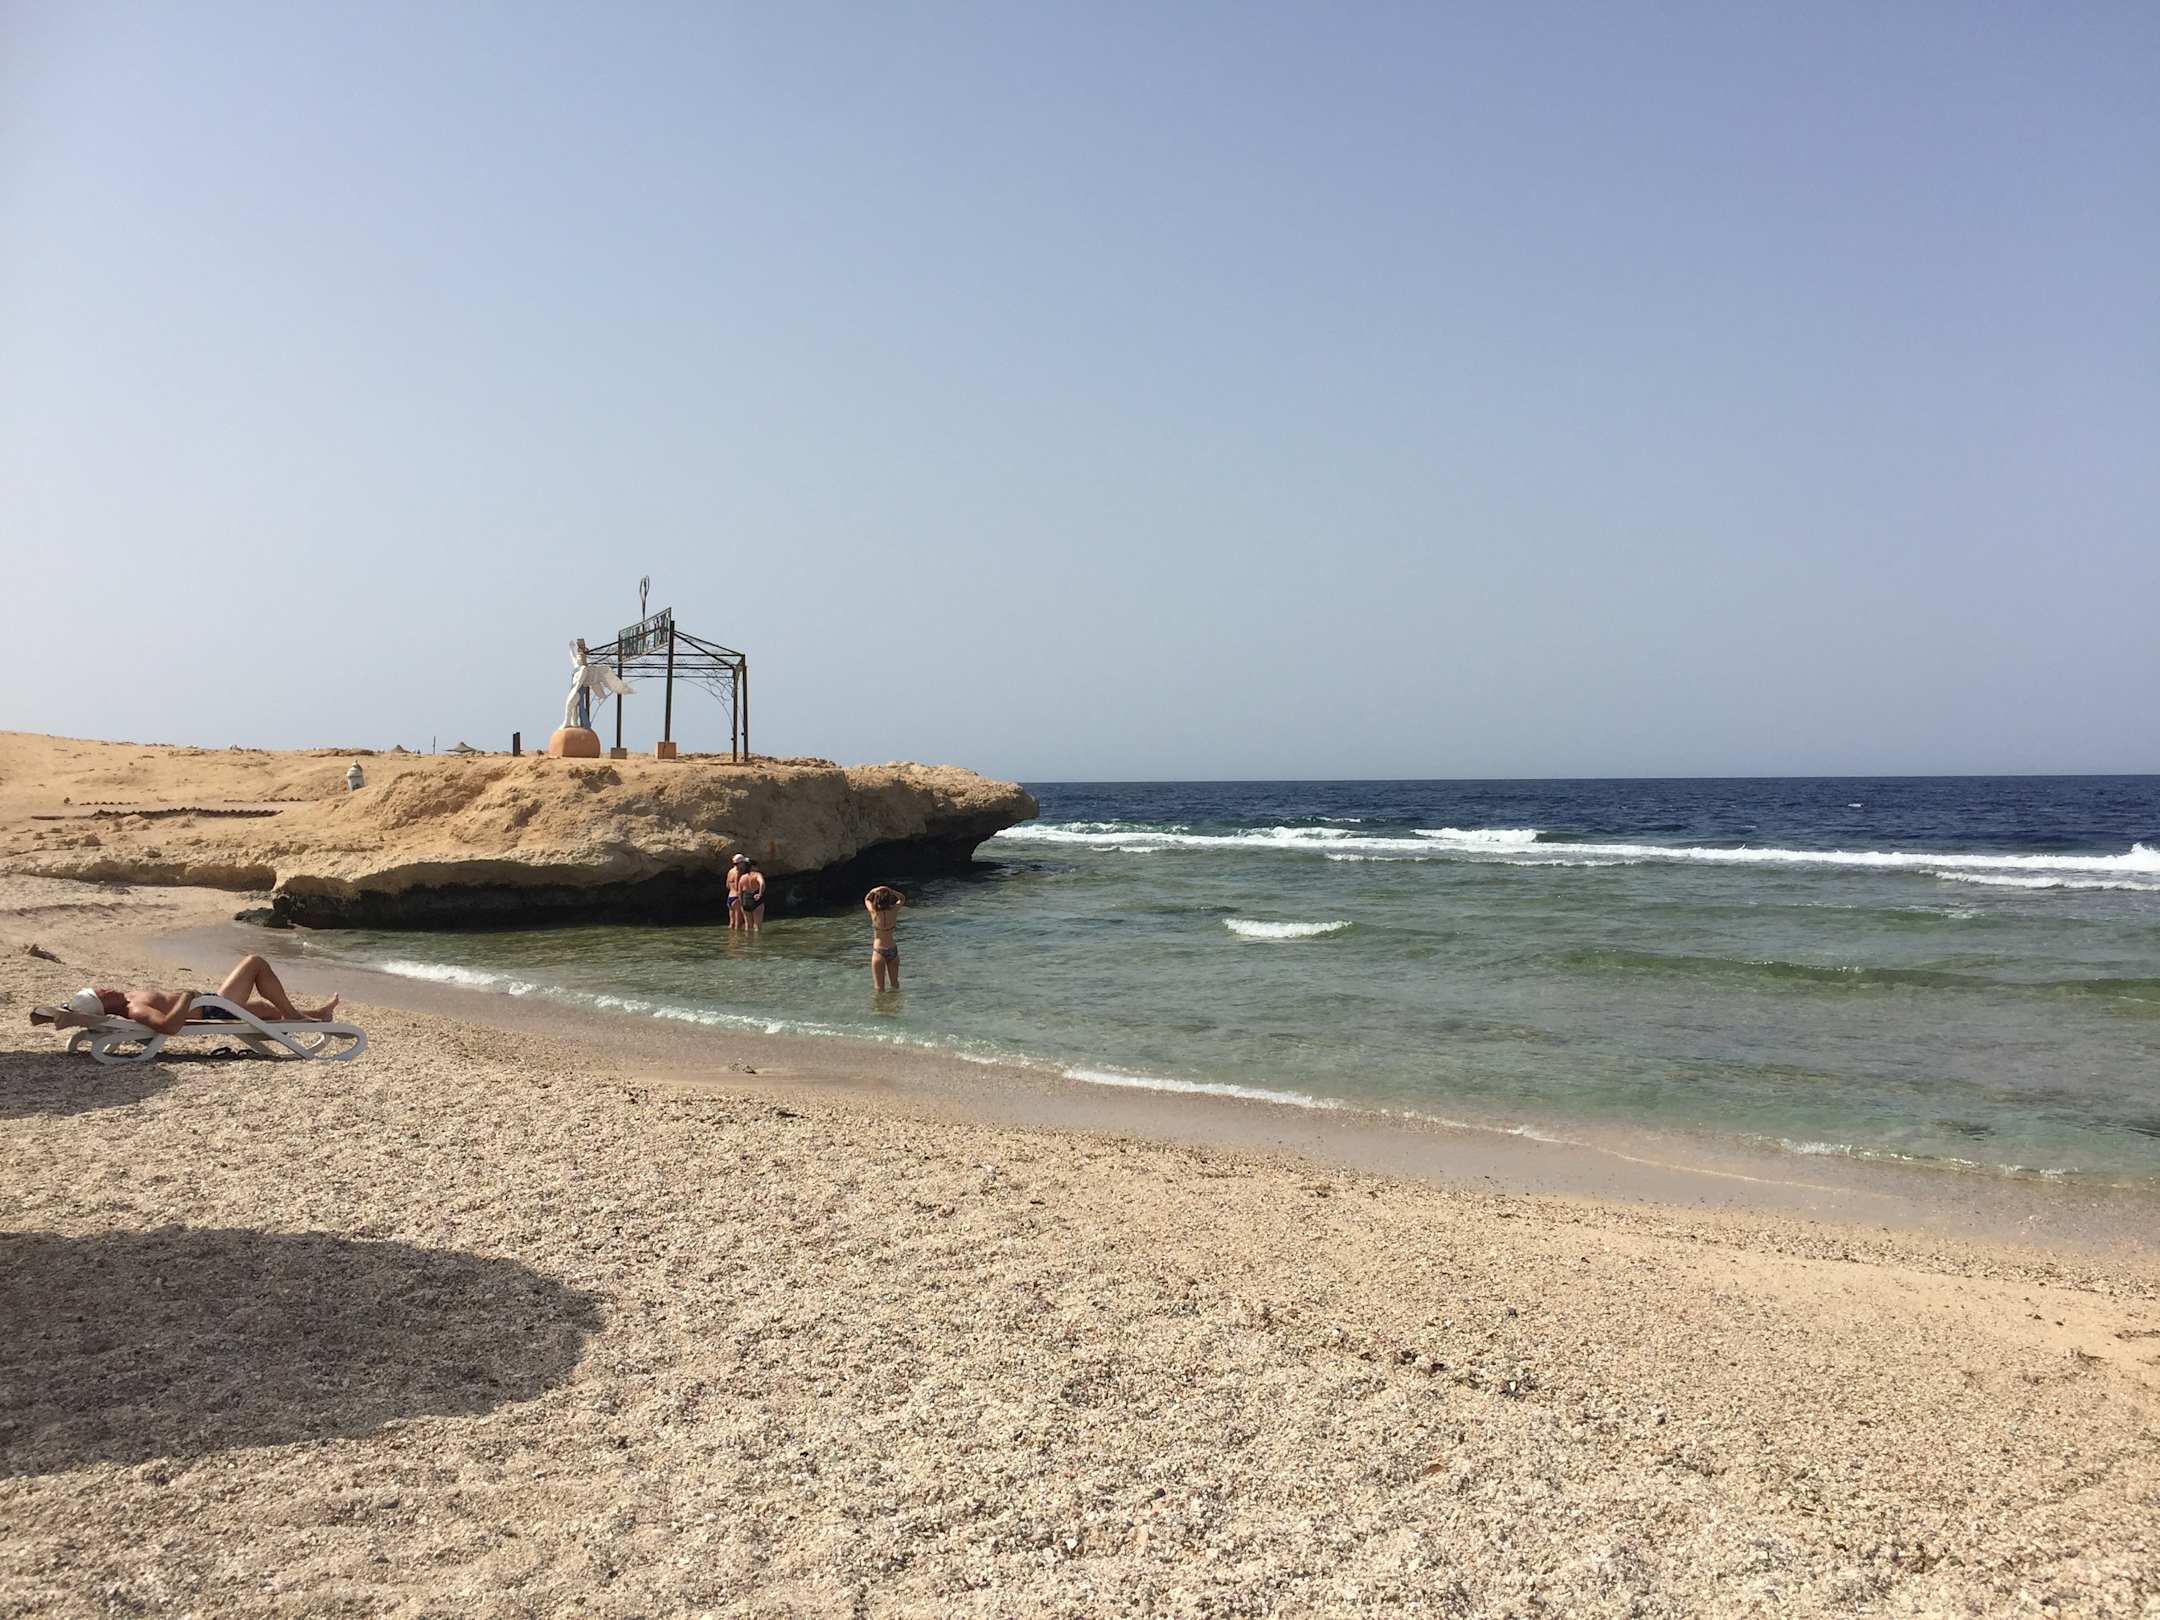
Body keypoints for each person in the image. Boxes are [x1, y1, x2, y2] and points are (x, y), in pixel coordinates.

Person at [34, 953, 341, 1034]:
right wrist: (187, 997)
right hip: (209, 1008)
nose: (105, 987)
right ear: (103, 1003)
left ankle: (319, 1014)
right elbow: (169, 1027)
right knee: (254, 963)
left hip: (208, 1004)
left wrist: (57, 1014)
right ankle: (295, 1015)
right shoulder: (134, 1010)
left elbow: (64, 1013)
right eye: (101, 991)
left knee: (263, 1009)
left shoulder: (126, 999)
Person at [864, 885, 905, 990]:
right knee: (895, 985)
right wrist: (891, 890)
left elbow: (867, 899)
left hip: (879, 950)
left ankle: (883, 1002)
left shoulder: (874, 912)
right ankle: (896, 1001)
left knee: (879, 988)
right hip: (892, 949)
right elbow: (902, 898)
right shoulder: (894, 910)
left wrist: (874, 890)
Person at [738, 861, 767, 933]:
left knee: (748, 925)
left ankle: (748, 939)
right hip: (755, 899)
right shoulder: (757, 875)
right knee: (757, 926)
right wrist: (760, 894)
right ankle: (757, 940)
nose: (757, 868)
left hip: (745, 900)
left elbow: (739, 892)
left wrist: (741, 904)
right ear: (752, 867)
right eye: (756, 866)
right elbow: (762, 883)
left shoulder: (742, 877)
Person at [725, 853, 748, 930]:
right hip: (736, 898)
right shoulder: (738, 872)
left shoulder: (730, 871)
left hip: (730, 897)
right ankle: (737, 937)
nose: (744, 864)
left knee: (732, 923)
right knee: (738, 924)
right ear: (740, 863)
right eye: (743, 863)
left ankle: (731, 937)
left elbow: (727, 885)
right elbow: (738, 887)